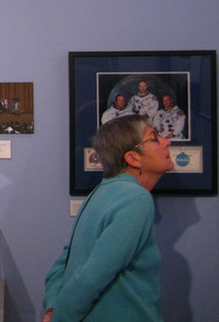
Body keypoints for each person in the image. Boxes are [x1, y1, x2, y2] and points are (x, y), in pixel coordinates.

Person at [42, 115, 174, 322]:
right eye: (155, 138)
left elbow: (61, 266)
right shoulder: (136, 198)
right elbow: (93, 276)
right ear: (133, 158)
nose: (167, 142)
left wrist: (53, 308)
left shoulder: (97, 194)